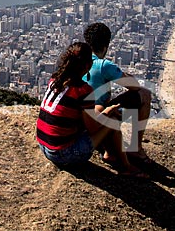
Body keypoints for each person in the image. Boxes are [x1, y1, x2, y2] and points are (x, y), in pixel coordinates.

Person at [36, 42, 148, 177]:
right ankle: (126, 167)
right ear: (88, 65)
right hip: (63, 154)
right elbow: (93, 129)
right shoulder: (83, 91)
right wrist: (109, 111)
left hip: (44, 146)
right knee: (112, 122)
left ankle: (111, 154)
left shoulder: (55, 80)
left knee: (102, 114)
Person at [83, 22, 152, 164]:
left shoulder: (77, 60)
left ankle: (107, 145)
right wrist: (122, 74)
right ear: (106, 45)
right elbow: (134, 87)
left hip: (80, 120)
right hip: (97, 118)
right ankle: (135, 148)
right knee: (144, 95)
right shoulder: (103, 65)